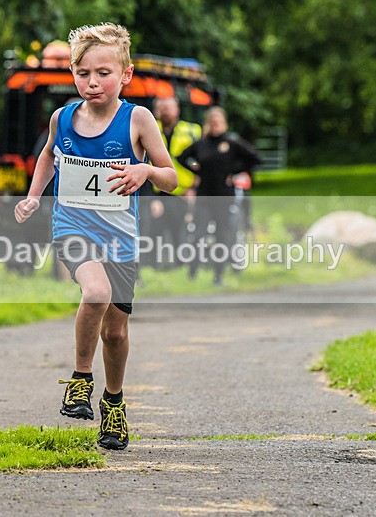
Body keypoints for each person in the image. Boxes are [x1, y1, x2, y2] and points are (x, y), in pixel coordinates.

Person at [14, 23, 177, 450]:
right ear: (73, 74)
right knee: (96, 292)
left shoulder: (138, 119)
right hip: (73, 226)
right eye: (83, 73)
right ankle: (81, 378)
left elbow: (172, 179)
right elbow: (49, 155)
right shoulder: (62, 117)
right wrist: (33, 197)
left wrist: (145, 171)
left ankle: (114, 403)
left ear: (125, 74)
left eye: (103, 73)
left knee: (116, 333)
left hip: (121, 238)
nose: (92, 82)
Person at [178, 106, 260, 285]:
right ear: (208, 124)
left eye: (219, 122)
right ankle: (192, 271)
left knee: (222, 235)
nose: (215, 126)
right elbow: (181, 157)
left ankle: (219, 275)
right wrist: (196, 171)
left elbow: (254, 158)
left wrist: (235, 171)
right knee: (199, 234)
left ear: (224, 123)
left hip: (223, 196)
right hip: (204, 196)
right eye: (212, 122)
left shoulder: (231, 142)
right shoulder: (201, 144)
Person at [145, 97, 202, 265]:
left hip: (181, 190)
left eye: (169, 107)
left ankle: (180, 264)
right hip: (155, 190)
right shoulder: (149, 128)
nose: (165, 111)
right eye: (162, 108)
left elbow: (202, 161)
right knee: (154, 230)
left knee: (179, 228)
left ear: (177, 109)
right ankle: (153, 265)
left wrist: (194, 188)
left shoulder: (192, 130)